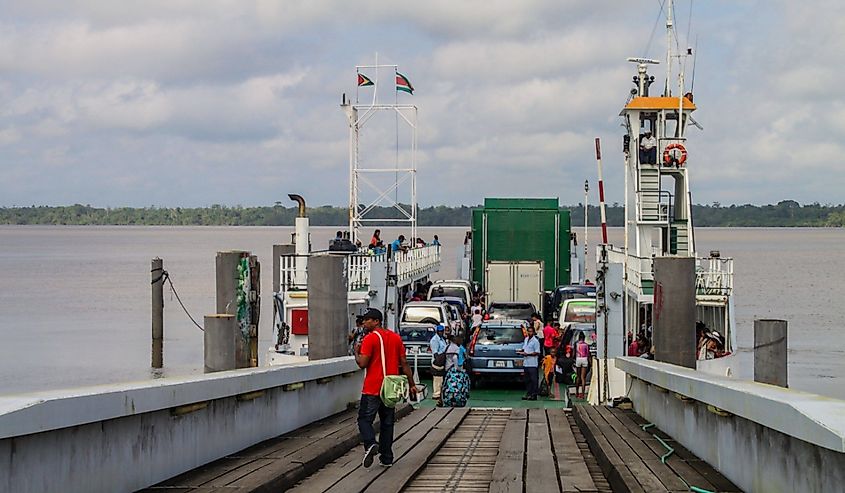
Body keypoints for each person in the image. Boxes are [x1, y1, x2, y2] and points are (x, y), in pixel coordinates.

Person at [354, 308, 417, 468]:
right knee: (387, 423)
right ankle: (386, 457)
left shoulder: (370, 339)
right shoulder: (395, 338)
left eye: (367, 320)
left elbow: (362, 363)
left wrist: (356, 352)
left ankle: (370, 444)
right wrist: (412, 384)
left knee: (364, 420)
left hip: (373, 387)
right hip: (390, 388)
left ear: (376, 321)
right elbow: (404, 363)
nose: (364, 323)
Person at [517, 325, 542, 400]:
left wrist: (528, 354)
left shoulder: (535, 341)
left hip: (533, 364)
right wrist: (520, 351)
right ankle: (528, 393)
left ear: (533, 332)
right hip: (526, 363)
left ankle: (534, 395)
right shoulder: (526, 339)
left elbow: (537, 352)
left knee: (533, 380)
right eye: (528, 331)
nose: (529, 333)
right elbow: (524, 349)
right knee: (527, 380)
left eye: (531, 331)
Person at [429, 325, 448, 406]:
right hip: (438, 361)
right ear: (437, 331)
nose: (441, 332)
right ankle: (436, 394)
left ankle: (440, 394)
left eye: (442, 331)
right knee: (437, 379)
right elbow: (435, 353)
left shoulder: (443, 339)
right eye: (440, 331)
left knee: (441, 380)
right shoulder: (434, 340)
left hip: (443, 360)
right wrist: (439, 362)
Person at [574, 332, 590, 400]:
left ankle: (577, 392)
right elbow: (588, 354)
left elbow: (574, 353)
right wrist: (590, 362)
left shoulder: (576, 344)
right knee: (583, 377)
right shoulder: (586, 345)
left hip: (578, 359)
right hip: (584, 359)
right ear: (584, 338)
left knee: (578, 376)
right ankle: (583, 394)